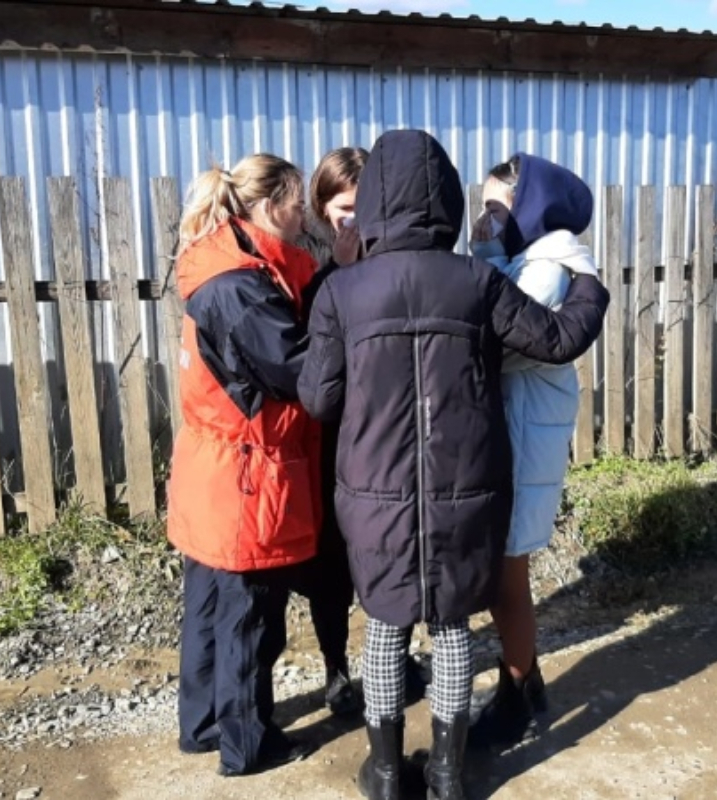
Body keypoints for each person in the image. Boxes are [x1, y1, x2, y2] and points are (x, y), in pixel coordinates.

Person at [297, 129, 609, 800]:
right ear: (444, 196)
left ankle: (384, 772)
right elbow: (556, 340)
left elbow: (319, 400)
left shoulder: (342, 293)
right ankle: (446, 772)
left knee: (385, 625)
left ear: (376, 198)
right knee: (451, 624)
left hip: (372, 491)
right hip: (467, 489)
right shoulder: (476, 281)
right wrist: (589, 287)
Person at [167, 153, 320, 777]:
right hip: (246, 474)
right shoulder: (242, 287)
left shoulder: (224, 267)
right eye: (297, 200)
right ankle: (248, 743)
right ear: (267, 205)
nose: (304, 212)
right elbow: (298, 372)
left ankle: (202, 725)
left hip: (215, 465)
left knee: (209, 607)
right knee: (250, 618)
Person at [465, 154, 598, 750]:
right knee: (503, 573)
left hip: (522, 439)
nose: (486, 217)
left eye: (498, 206)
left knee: (506, 579)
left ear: (533, 207)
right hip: (518, 430)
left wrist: (486, 260)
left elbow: (501, 342)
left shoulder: (546, 268)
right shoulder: (527, 260)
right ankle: (532, 682)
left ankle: (515, 699)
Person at [293, 147, 432, 718]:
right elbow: (305, 338)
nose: (353, 220)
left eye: (362, 208)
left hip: (384, 430)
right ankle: (335, 668)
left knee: (384, 548)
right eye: (342, 208)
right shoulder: (305, 257)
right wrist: (341, 270)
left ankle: (391, 660)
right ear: (321, 206)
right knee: (330, 560)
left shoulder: (395, 247)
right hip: (327, 433)